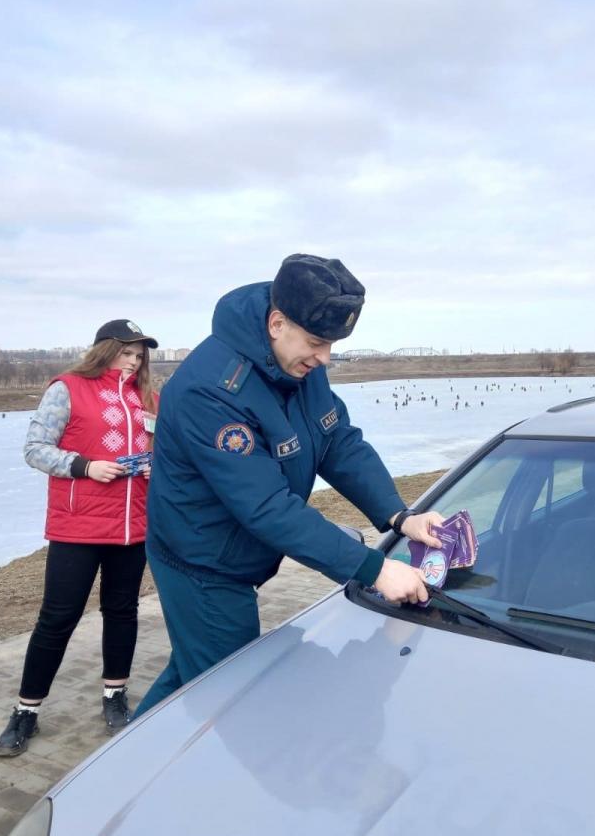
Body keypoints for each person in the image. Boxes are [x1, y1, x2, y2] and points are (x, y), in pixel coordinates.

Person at [134, 255, 442, 719]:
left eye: (332, 345)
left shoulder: (297, 363)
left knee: (195, 674)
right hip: (202, 564)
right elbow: (266, 507)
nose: (325, 359)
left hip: (234, 554)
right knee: (230, 699)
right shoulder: (211, 391)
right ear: (277, 322)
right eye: (318, 343)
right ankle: (146, 774)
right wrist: (373, 569)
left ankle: (126, 765)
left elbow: (337, 439)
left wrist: (399, 514)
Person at [0, 320, 159, 757]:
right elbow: (35, 448)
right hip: (79, 526)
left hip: (132, 525)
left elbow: (163, 451)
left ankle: (114, 695)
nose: (135, 359)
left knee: (122, 611)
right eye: (127, 351)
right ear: (105, 350)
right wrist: (85, 466)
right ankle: (25, 710)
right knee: (57, 617)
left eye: (140, 353)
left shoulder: (148, 398)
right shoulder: (67, 388)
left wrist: (153, 466)